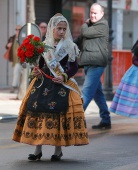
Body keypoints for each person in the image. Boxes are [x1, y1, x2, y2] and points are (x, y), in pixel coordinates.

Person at [12, 13, 89, 161]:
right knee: (37, 110)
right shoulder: (44, 46)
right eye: (59, 28)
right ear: (52, 29)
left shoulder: (70, 46)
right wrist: (37, 71)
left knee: (59, 112)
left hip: (60, 82)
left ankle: (57, 150)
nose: (61, 31)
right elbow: (41, 65)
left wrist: (64, 76)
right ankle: (37, 149)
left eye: (64, 29)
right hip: (43, 81)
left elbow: (74, 67)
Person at [74, 3, 111, 130]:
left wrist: (85, 23)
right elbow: (78, 40)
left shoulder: (103, 25)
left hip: (97, 63)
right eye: (91, 12)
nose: (93, 15)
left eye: (95, 13)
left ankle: (75, 120)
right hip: (88, 63)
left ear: (102, 14)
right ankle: (106, 119)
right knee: (97, 93)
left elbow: (85, 32)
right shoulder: (89, 26)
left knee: (87, 91)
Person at [5, 25, 22, 93]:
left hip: (21, 59)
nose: (17, 31)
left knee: (18, 72)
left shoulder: (23, 38)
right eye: (16, 29)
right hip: (14, 59)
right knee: (16, 72)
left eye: (19, 29)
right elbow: (6, 46)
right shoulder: (12, 38)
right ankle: (15, 86)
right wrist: (8, 45)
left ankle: (15, 86)